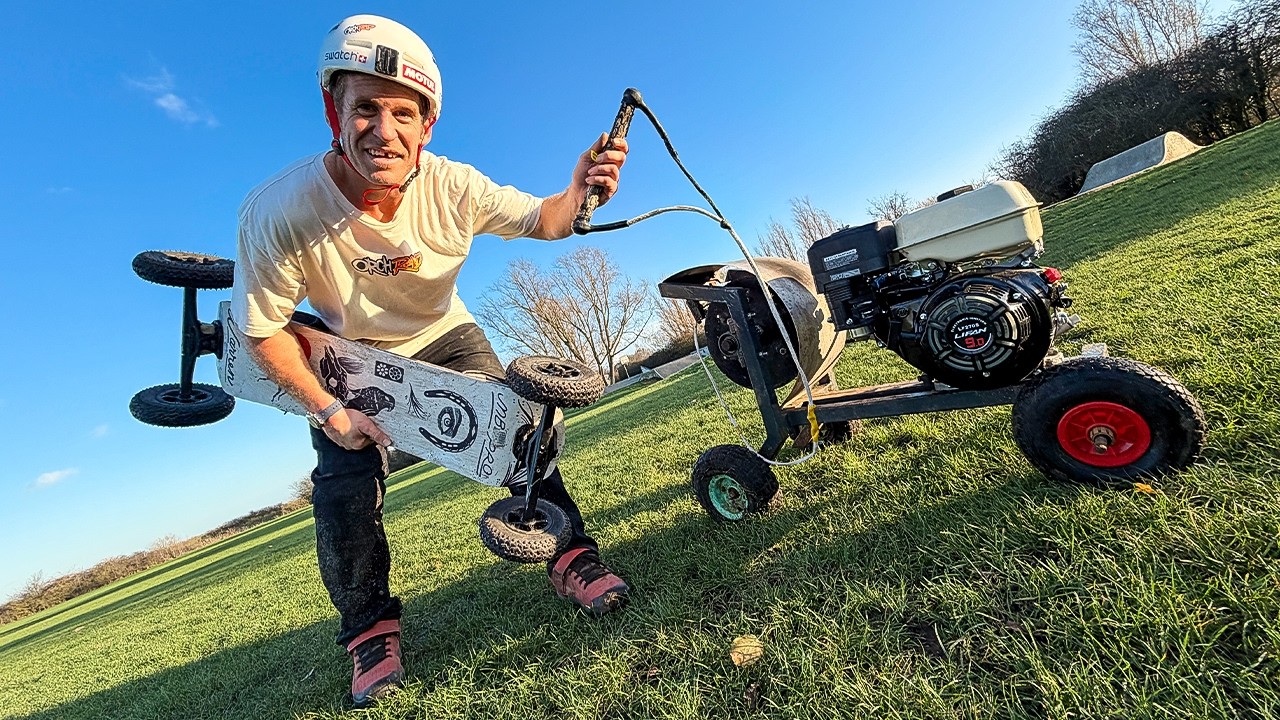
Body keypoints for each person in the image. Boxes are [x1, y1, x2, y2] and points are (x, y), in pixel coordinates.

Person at [230, 14, 630, 708]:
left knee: (519, 438)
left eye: (402, 114)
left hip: (444, 332)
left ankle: (571, 556)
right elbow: (261, 332)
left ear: (426, 127)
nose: (383, 131)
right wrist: (328, 410)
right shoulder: (280, 210)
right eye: (365, 110)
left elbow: (549, 219)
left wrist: (580, 189)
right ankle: (369, 634)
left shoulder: (455, 188)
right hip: (349, 357)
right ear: (335, 112)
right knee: (344, 492)